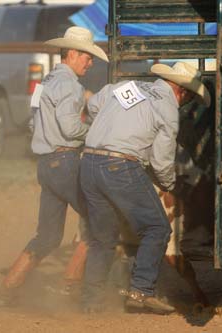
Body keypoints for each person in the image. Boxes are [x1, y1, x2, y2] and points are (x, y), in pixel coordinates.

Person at [0, 26, 108, 307]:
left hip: (46, 164)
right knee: (99, 219)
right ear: (73, 54)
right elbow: (70, 128)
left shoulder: (43, 84)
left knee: (48, 236)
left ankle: (6, 290)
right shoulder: (72, 87)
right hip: (66, 162)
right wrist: (96, 130)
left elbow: (33, 122)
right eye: (87, 57)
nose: (90, 63)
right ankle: (68, 285)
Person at [80, 62, 210, 314]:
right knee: (158, 228)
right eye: (190, 97)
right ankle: (141, 290)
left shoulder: (126, 87)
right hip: (120, 165)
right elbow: (161, 161)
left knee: (103, 237)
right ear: (182, 91)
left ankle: (90, 302)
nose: (187, 103)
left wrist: (111, 126)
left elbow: (94, 104)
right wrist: (170, 185)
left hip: (89, 163)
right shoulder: (167, 108)